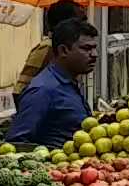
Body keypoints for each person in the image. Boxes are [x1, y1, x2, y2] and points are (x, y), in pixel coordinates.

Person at [8, 18, 98, 148]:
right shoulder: (43, 90)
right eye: (87, 48)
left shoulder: (69, 83)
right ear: (63, 51)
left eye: (95, 48)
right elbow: (16, 142)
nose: (94, 54)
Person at [14, 0, 85, 104]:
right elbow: (20, 91)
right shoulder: (46, 48)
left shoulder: (71, 48)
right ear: (65, 23)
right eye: (80, 21)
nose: (84, 25)